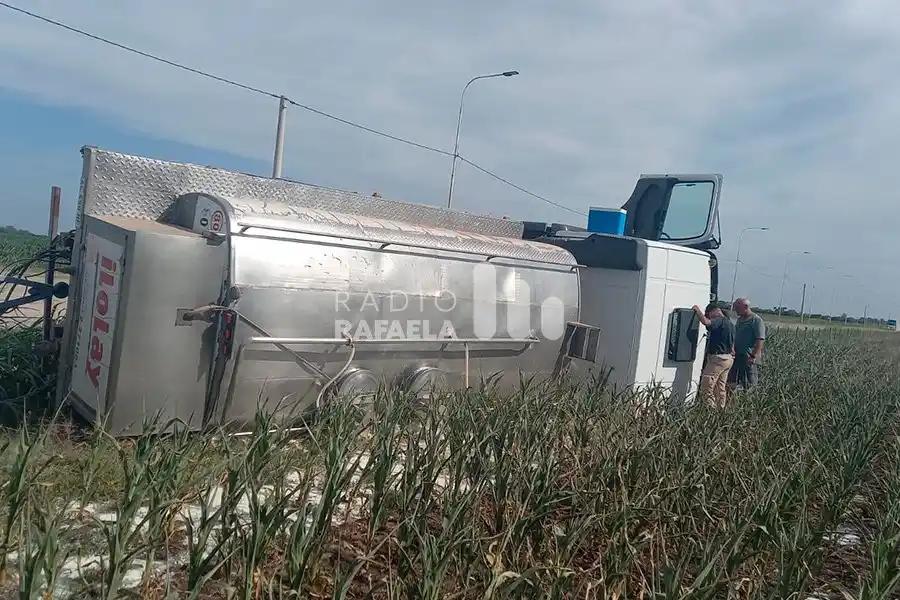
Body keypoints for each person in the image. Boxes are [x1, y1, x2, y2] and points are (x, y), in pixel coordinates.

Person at [692, 302, 735, 408]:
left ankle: (710, 409)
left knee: (706, 387)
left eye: (709, 314)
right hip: (728, 358)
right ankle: (721, 410)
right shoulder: (730, 324)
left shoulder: (719, 320)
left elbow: (706, 322)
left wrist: (697, 310)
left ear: (714, 311)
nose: (709, 316)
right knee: (720, 388)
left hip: (717, 359)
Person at [729, 297, 766, 391]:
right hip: (738, 355)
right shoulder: (740, 319)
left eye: (737, 308)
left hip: (749, 357)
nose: (735, 310)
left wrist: (753, 356)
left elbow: (760, 339)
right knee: (733, 381)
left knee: (750, 384)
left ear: (745, 307)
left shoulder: (756, 320)